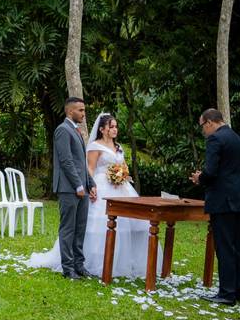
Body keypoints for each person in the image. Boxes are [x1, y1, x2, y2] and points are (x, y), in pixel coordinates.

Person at [29, 113, 158, 277]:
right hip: (102, 185)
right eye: (111, 126)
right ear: (102, 129)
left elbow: (123, 165)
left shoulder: (118, 147)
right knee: (96, 225)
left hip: (122, 188)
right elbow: (89, 168)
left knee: (130, 224)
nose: (115, 129)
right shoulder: (95, 146)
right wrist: (89, 185)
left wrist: (123, 174)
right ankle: (88, 261)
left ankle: (123, 261)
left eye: (116, 126)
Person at [190, 108, 240, 305]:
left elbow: (211, 171)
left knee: (224, 246)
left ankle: (227, 292)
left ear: (209, 122)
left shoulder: (215, 139)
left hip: (222, 199)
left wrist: (200, 178)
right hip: (238, 197)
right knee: (238, 246)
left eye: (202, 127)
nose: (204, 131)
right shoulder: (235, 137)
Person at [51, 96, 97, 280]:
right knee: (68, 229)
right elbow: (66, 161)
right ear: (70, 111)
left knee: (80, 228)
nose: (84, 114)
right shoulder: (62, 130)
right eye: (81, 110)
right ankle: (68, 268)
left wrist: (90, 184)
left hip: (82, 188)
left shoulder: (76, 131)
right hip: (69, 188)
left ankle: (79, 266)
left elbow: (81, 162)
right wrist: (78, 185)